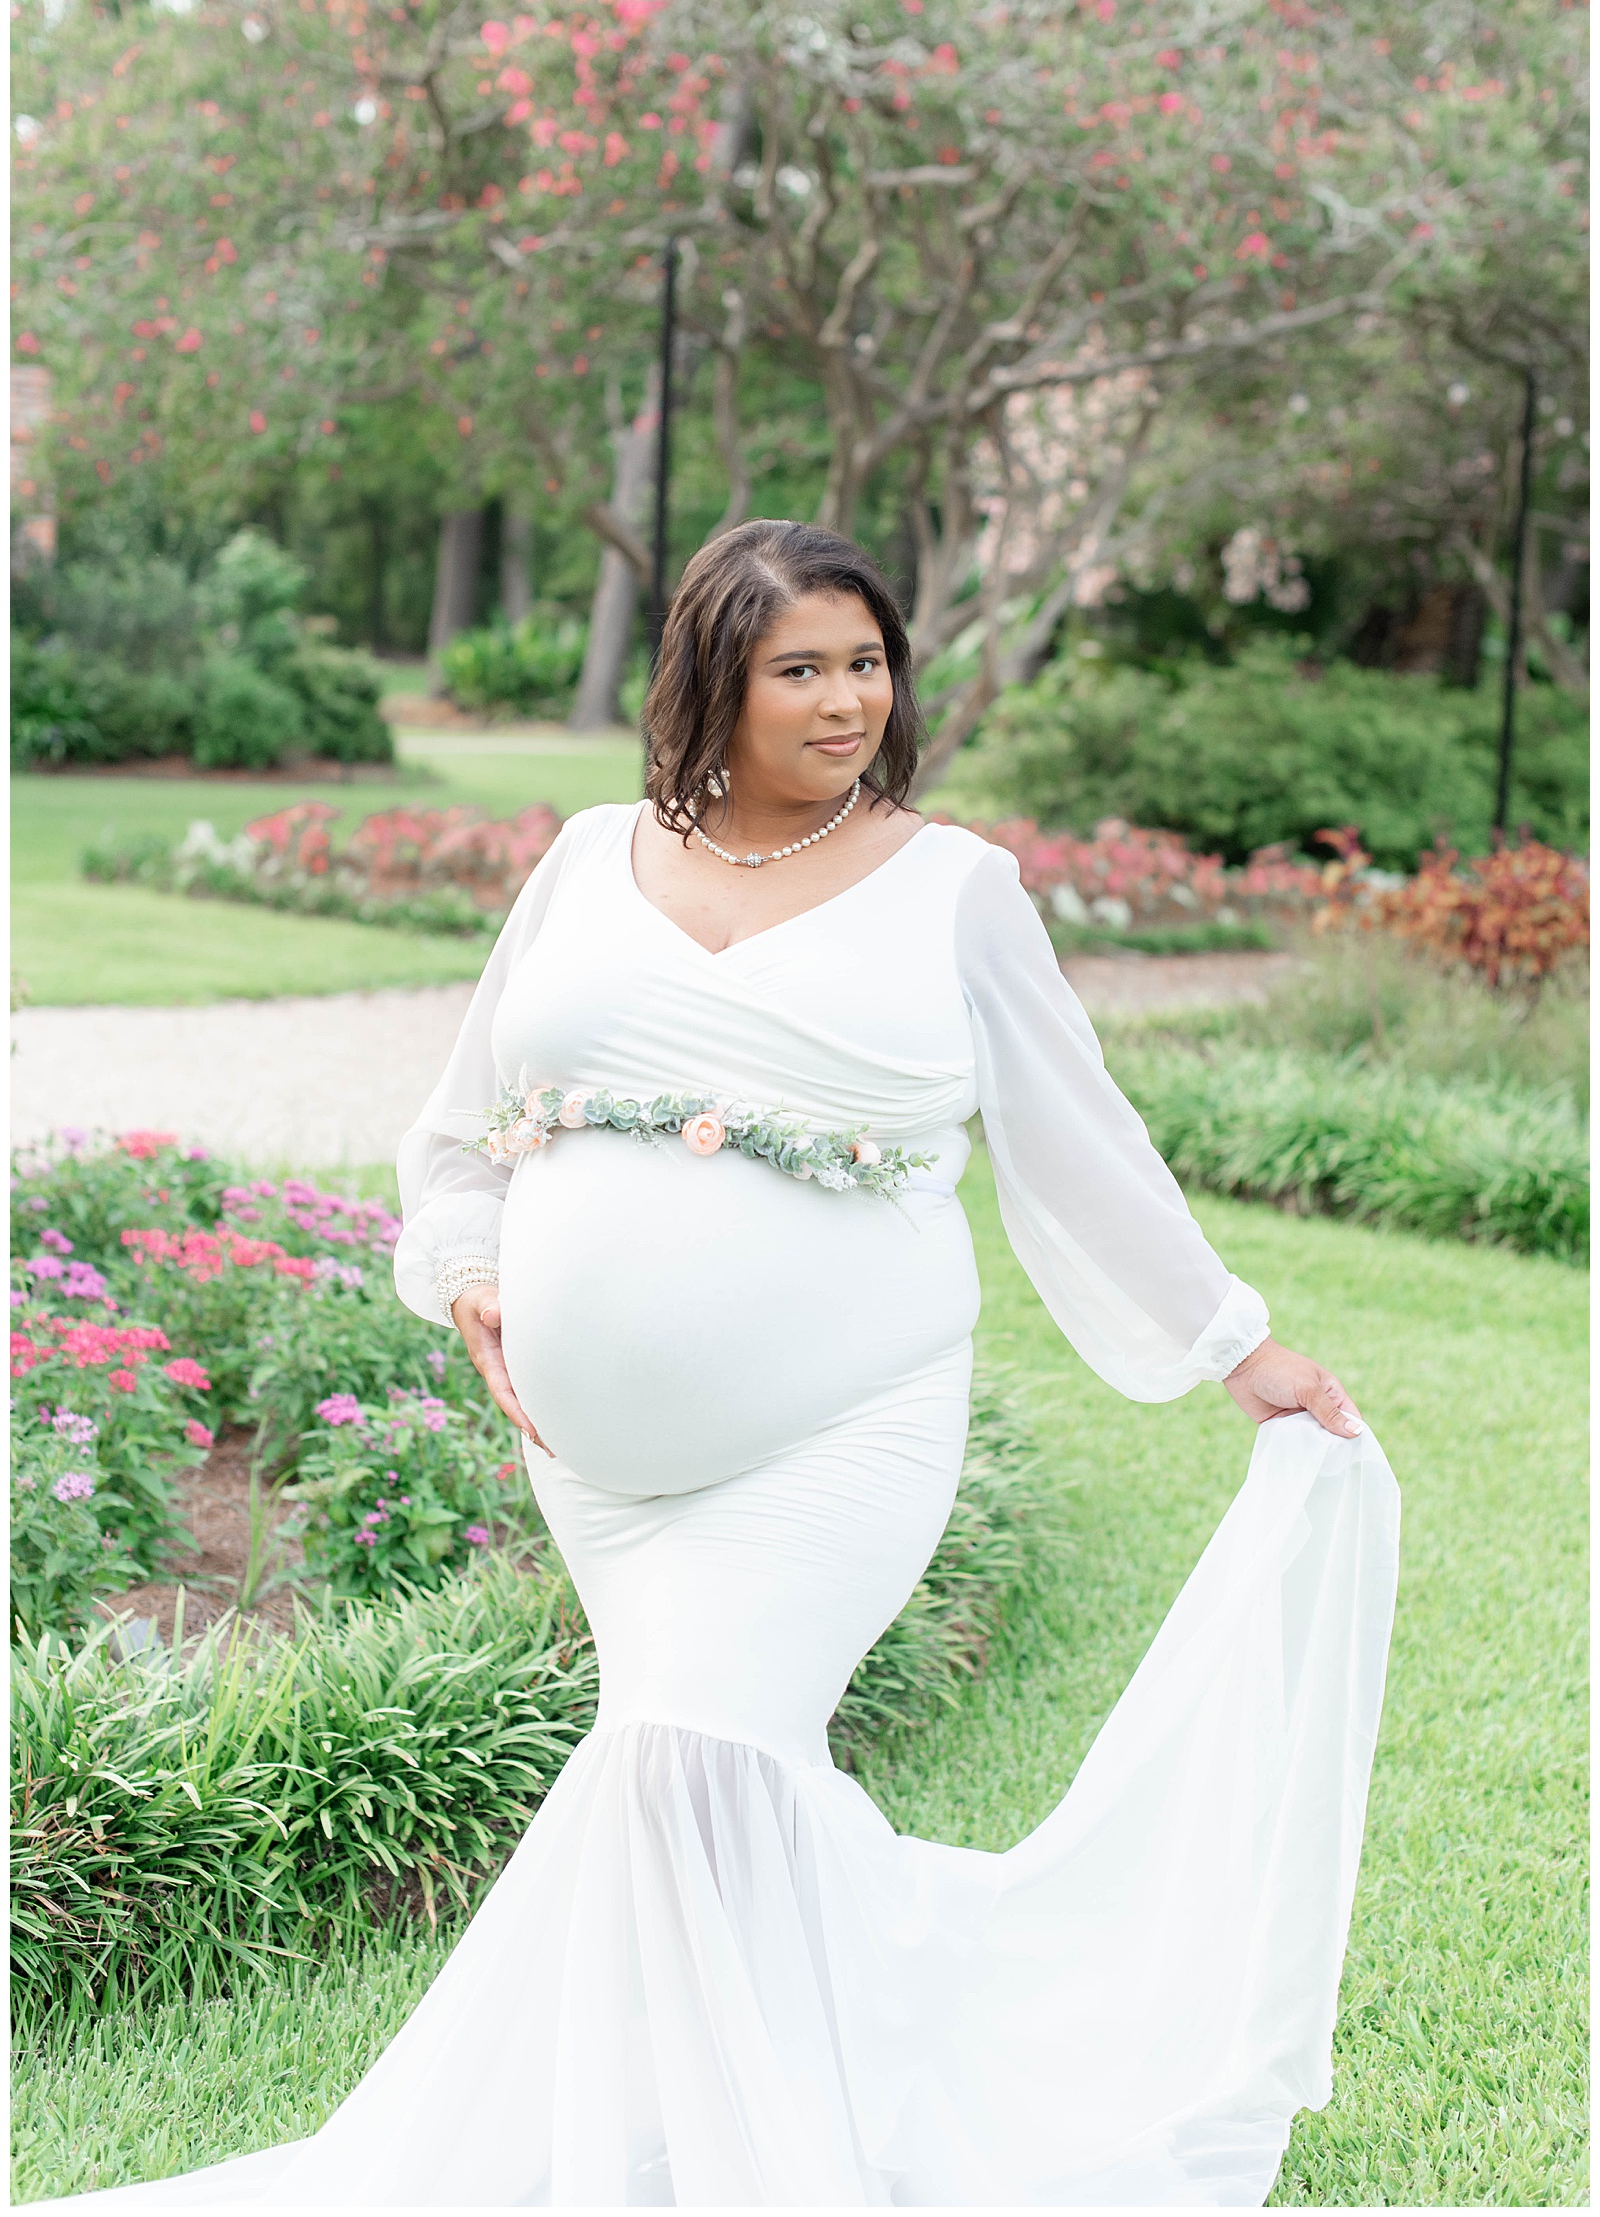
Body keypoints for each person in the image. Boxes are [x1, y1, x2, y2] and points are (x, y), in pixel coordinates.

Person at [38, 520, 1399, 2212]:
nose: (846, 700)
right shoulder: (592, 855)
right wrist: (468, 1274)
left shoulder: (952, 886)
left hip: (845, 1424)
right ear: (711, 681)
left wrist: (1230, 1345)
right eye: (799, 668)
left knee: (700, 1750)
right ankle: (704, 2125)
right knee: (698, 1777)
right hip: (600, 1465)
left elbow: (1081, 1146)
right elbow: (457, 1129)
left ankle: (739, 2163)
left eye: (867, 662)